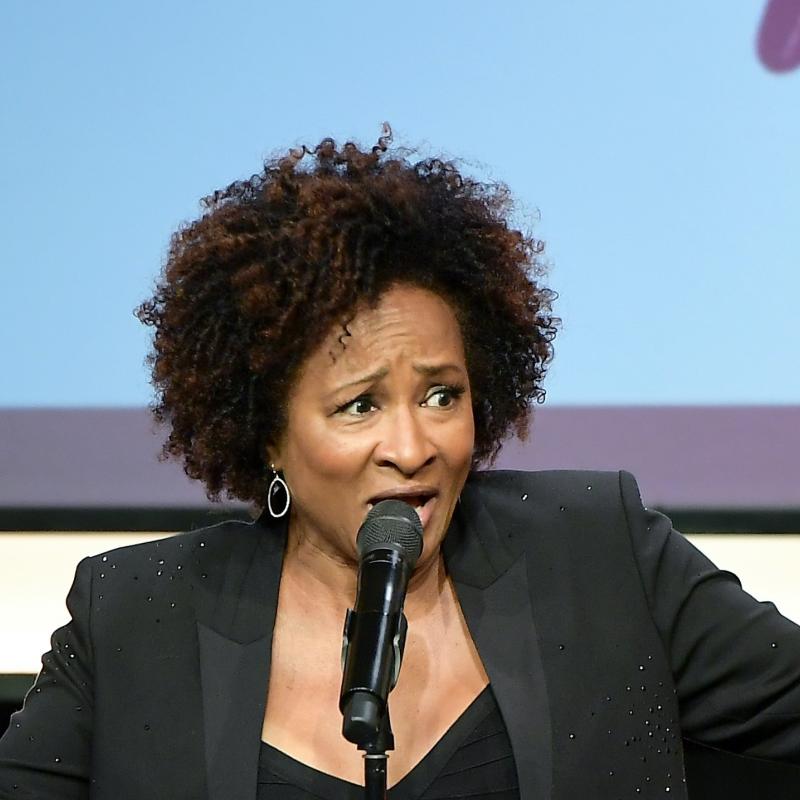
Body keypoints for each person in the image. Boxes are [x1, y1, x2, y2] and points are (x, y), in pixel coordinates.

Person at [1, 126, 799, 800]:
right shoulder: (137, 618)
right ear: (266, 434)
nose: (414, 446)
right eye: (359, 406)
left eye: (442, 396)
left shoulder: (600, 552)